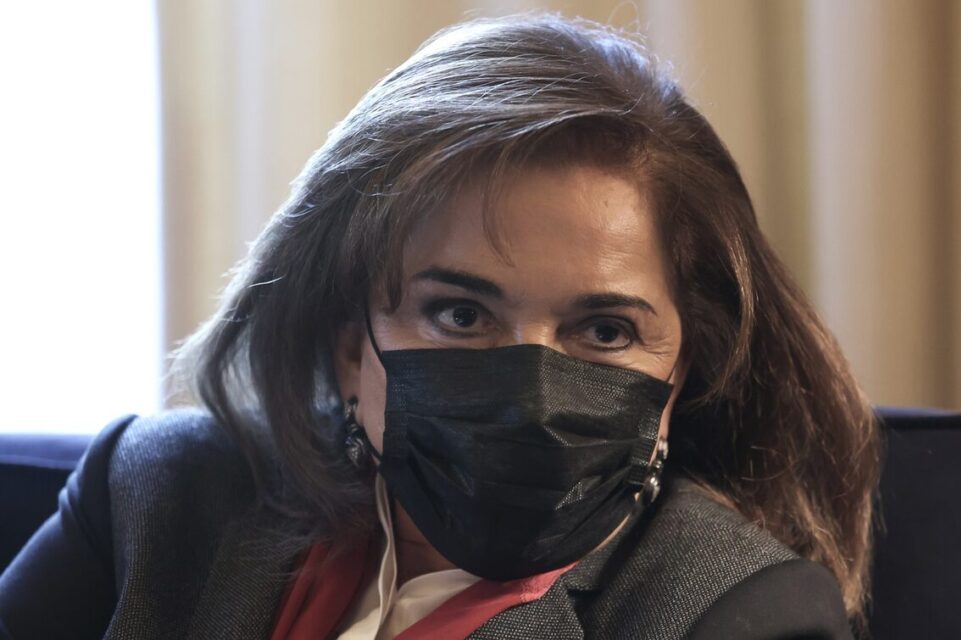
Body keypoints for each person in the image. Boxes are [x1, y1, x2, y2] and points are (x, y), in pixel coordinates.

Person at [0, 14, 879, 640]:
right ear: (351, 344)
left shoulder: (740, 615)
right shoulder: (155, 496)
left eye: (605, 331)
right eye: (461, 314)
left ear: (681, 371)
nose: (531, 392)